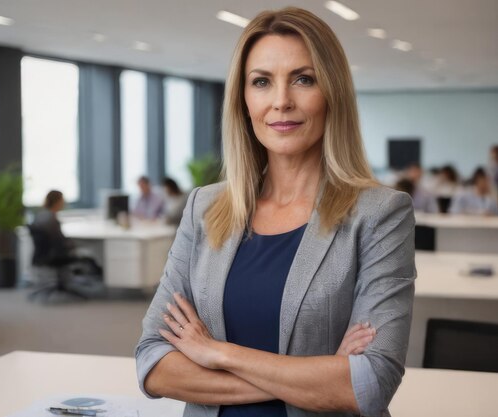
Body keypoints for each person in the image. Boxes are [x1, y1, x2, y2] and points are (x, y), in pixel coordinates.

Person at [135, 7, 415, 417]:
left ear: (331, 92)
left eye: (303, 79)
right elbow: (153, 364)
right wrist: (317, 376)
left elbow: (368, 385)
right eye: (262, 82)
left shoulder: (380, 214)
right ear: (244, 99)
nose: (281, 101)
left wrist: (216, 353)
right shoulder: (205, 208)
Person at [31, 190, 100, 272]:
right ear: (58, 202)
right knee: (90, 256)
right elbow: (60, 242)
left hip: (43, 255)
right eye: (63, 201)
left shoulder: (40, 215)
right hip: (55, 256)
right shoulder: (52, 219)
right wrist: (74, 244)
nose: (64, 203)